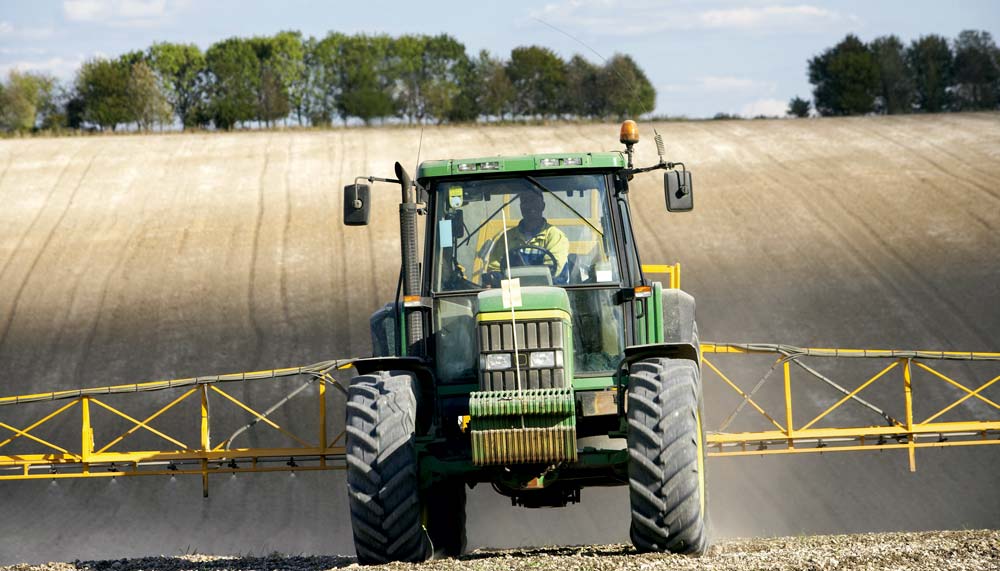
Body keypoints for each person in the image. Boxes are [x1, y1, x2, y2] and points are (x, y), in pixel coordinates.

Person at [486, 189, 569, 278]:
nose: (530, 206)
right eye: (525, 201)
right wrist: (494, 278)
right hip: (513, 290)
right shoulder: (507, 238)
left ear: (543, 206)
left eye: (533, 200)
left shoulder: (555, 236)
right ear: (521, 207)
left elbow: (551, 271)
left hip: (549, 290)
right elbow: (494, 268)